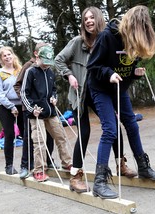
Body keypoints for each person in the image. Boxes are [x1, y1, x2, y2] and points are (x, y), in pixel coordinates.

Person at [54, 6, 137, 193]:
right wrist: (69, 75)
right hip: (79, 94)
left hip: (99, 92)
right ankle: (75, 176)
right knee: (84, 132)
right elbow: (58, 60)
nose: (88, 21)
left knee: (113, 125)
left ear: (99, 19)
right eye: (85, 19)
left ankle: (120, 164)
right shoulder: (77, 42)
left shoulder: (106, 40)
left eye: (92, 17)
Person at [87, 5, 155, 199]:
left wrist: (135, 74)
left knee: (132, 125)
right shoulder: (107, 36)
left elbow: (128, 67)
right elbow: (93, 66)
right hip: (100, 88)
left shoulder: (134, 41)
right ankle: (100, 182)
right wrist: (109, 73)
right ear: (131, 28)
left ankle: (143, 167)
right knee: (111, 130)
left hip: (119, 88)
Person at [20, 45, 72, 182]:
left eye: (49, 63)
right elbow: (23, 93)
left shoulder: (50, 72)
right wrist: (32, 109)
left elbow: (54, 89)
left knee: (61, 136)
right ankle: (39, 170)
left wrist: (55, 97)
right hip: (36, 113)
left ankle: (67, 163)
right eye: (45, 62)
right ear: (38, 57)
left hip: (51, 111)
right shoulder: (30, 72)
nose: (47, 65)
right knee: (40, 142)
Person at [14, 42, 56, 179]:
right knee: (30, 138)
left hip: (45, 109)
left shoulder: (47, 67)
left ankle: (48, 161)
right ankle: (25, 166)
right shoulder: (29, 66)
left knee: (48, 136)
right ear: (36, 53)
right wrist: (29, 103)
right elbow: (18, 86)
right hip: (30, 108)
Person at [0, 46, 24, 175]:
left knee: (26, 134)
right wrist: (11, 107)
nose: (7, 57)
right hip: (5, 107)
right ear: (1, 59)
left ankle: (27, 163)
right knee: (10, 134)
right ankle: (9, 166)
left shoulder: (20, 70)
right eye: (4, 55)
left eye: (9, 54)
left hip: (22, 105)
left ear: (13, 55)